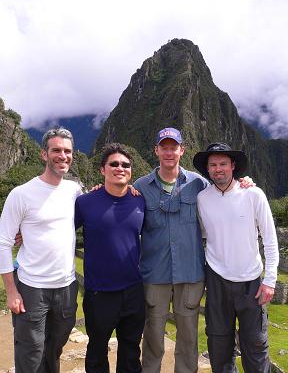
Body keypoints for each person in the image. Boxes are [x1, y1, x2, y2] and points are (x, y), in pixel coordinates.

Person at [0, 128, 81, 373]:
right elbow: (3, 242)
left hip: (66, 286)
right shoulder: (21, 194)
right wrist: (11, 291)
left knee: (54, 348)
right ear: (43, 154)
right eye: (56, 150)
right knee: (30, 351)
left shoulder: (75, 190)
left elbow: (95, 213)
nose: (62, 155)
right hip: (32, 287)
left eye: (67, 151)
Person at [193, 142, 279, 373]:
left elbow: (270, 239)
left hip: (250, 280)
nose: (218, 169)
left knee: (255, 344)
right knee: (219, 342)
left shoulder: (252, 194)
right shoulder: (202, 198)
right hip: (217, 278)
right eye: (213, 165)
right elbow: (204, 233)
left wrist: (270, 280)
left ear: (233, 165)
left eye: (223, 163)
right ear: (207, 169)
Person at [134, 127, 210, 373]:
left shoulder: (199, 184)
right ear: (156, 150)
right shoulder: (141, 187)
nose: (169, 152)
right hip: (154, 274)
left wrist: (244, 184)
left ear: (182, 150)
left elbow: (224, 197)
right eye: (164, 147)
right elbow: (122, 211)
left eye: (173, 147)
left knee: (188, 337)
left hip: (190, 272)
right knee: (153, 335)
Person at [74, 143, 145, 373]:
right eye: (113, 164)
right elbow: (60, 232)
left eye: (125, 165)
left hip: (133, 290)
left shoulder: (139, 200)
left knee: (131, 351)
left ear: (131, 171)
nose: (120, 168)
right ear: (102, 170)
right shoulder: (85, 202)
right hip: (99, 293)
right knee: (97, 351)